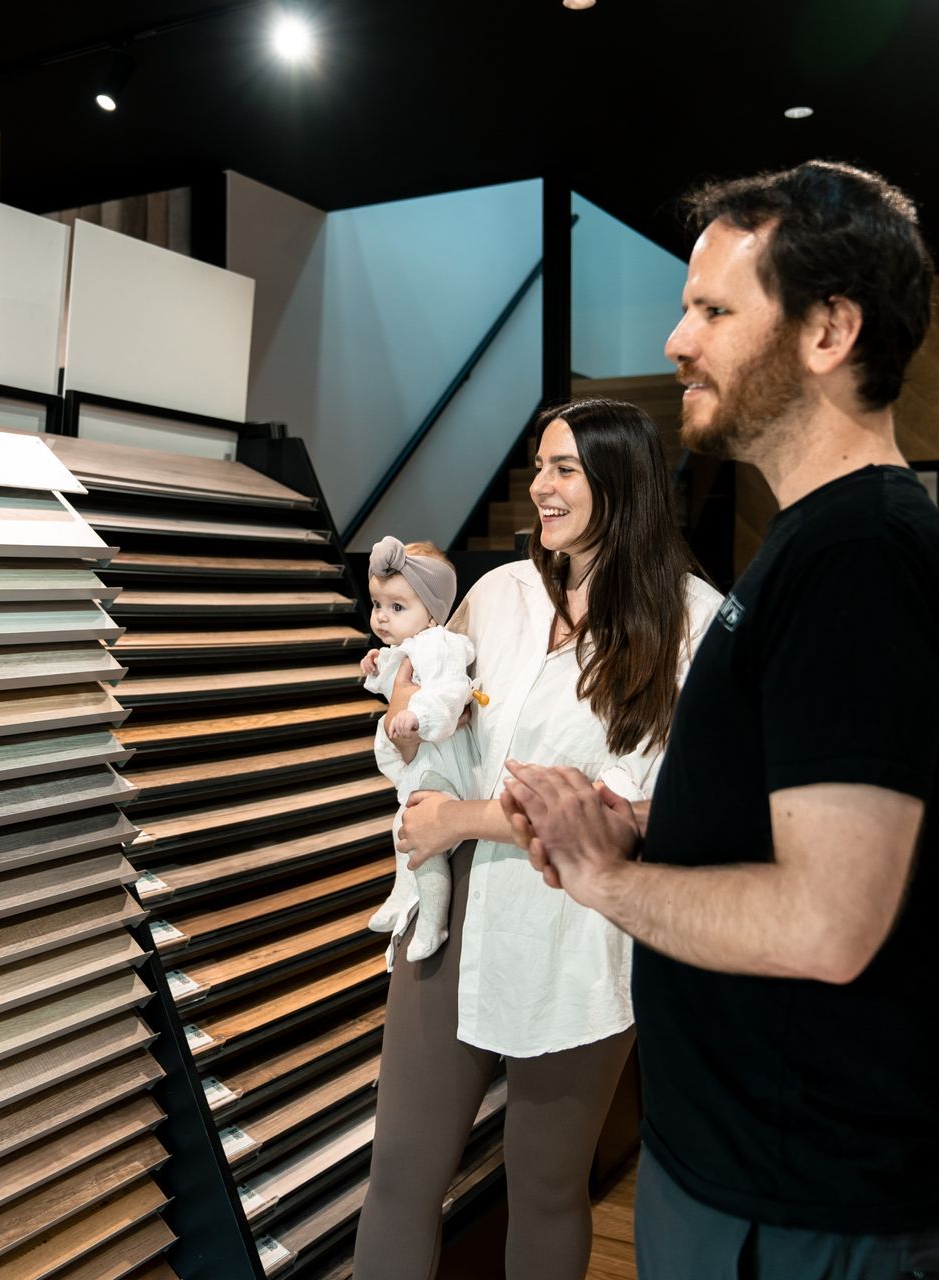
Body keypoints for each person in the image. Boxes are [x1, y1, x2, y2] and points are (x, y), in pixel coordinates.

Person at [501, 161, 939, 1279]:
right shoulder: (812, 549)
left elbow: (827, 920)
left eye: (716, 310)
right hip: (752, 1185)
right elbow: (797, 845)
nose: (678, 341)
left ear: (829, 328)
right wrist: (649, 832)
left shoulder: (860, 557)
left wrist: (607, 880)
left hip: (810, 1216)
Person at [351, 400, 723, 1280]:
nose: (541, 488)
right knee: (401, 1168)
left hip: (579, 929)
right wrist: (402, 730)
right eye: (540, 466)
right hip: (451, 914)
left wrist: (463, 819)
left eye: (564, 469)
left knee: (548, 1183)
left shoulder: (693, 622)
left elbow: (632, 809)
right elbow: (435, 730)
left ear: (621, 481)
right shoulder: (498, 594)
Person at [359, 535, 481, 963]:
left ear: (432, 611)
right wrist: (375, 667)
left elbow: (451, 690)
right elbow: (394, 684)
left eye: (397, 607)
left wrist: (420, 717)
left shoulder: (440, 645)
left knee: (423, 837)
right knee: (402, 831)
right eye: (377, 605)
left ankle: (432, 918)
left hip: (444, 762)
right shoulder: (410, 646)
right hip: (423, 759)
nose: (382, 617)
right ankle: (400, 896)